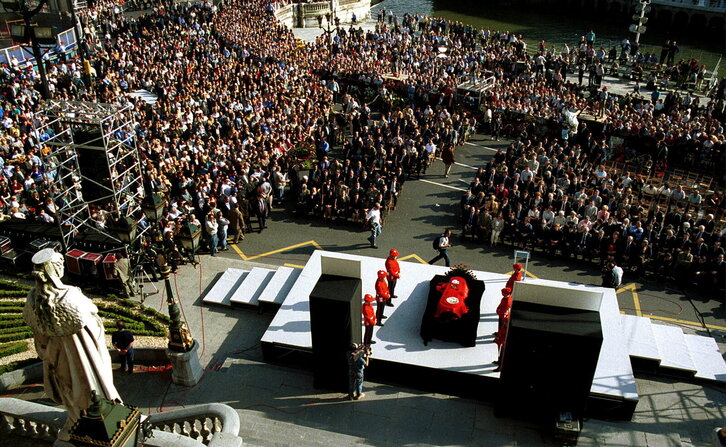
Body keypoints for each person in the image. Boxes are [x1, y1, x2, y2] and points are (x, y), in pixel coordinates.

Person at [23, 249, 122, 440]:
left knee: (70, 390)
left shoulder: (32, 299)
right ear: (54, 269)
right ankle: (101, 419)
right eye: (59, 264)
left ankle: (76, 418)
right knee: (93, 385)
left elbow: (39, 339)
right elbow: (91, 313)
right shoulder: (70, 295)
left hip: (57, 355)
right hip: (84, 352)